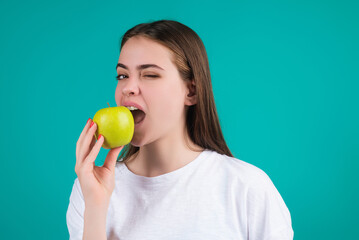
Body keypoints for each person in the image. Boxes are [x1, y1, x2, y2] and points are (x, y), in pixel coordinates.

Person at [66, 19, 294, 240]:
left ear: (191, 92)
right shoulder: (90, 188)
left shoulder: (246, 187)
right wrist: (96, 206)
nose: (128, 88)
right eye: (123, 75)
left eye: (150, 75)